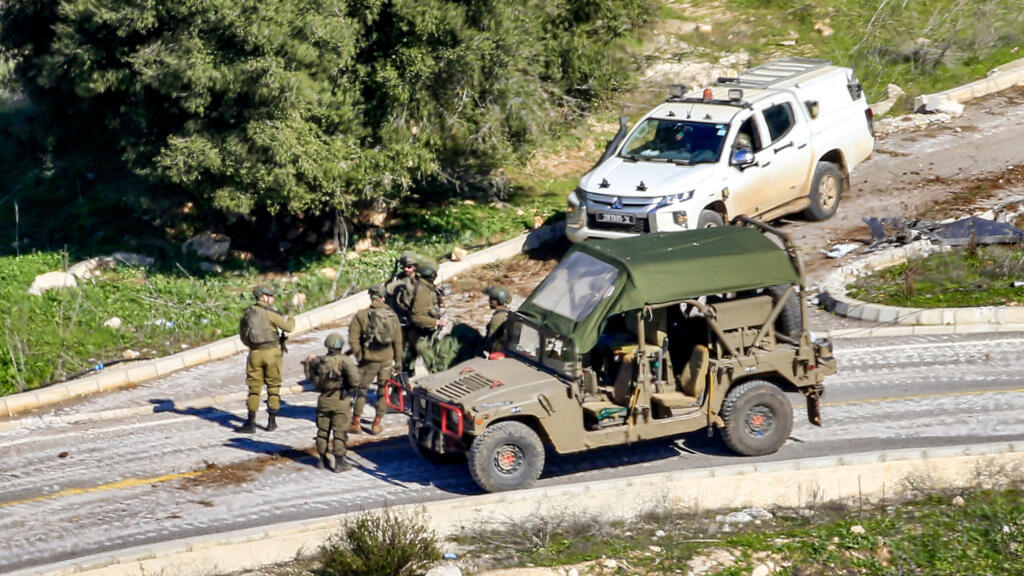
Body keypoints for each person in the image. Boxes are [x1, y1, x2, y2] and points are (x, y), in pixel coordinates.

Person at [236, 285, 294, 433]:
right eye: (270, 295)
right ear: (263, 297)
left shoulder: (247, 314)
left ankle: (250, 423)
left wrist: (252, 346)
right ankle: (271, 422)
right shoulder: (271, 314)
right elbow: (288, 327)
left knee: (254, 389)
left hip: (255, 353)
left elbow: (242, 334)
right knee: (273, 387)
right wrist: (291, 315)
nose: (272, 298)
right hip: (272, 352)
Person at [348, 284, 403, 435]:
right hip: (386, 359)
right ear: (383, 297)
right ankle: (376, 424)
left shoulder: (361, 315)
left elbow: (353, 339)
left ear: (370, 297)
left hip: (368, 360)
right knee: (382, 391)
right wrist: (398, 362)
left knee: (362, 391)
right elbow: (398, 341)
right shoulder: (392, 316)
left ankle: (356, 422)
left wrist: (360, 355)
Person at [303, 333, 361, 472]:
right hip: (340, 400)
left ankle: (322, 459)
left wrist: (308, 363)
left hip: (323, 400)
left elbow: (309, 377)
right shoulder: (345, 361)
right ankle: (339, 462)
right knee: (339, 432)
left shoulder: (320, 361)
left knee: (323, 431)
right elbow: (356, 381)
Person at [395, 259, 446, 371]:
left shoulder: (426, 287)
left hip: (425, 331)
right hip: (418, 332)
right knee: (432, 363)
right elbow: (417, 318)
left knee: (408, 361)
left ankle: (404, 375)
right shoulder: (422, 290)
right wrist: (436, 322)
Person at [482, 285, 511, 355]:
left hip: (496, 353)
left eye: (490, 299)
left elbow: (490, 338)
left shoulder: (497, 317)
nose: (489, 300)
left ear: (495, 301)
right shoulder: (506, 314)